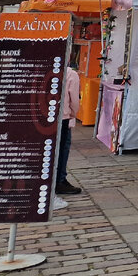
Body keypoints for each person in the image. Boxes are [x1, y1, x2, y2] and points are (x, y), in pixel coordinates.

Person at [55, 61, 82, 195]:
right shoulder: (71, 74)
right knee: (62, 148)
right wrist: (73, 113)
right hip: (63, 116)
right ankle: (59, 180)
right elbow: (74, 100)